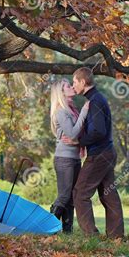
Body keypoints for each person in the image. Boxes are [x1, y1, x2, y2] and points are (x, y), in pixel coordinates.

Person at [63, 67, 125, 238]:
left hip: (99, 154)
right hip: (107, 152)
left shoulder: (95, 101)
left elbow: (99, 131)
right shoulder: (95, 99)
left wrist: (78, 142)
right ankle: (116, 236)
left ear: (83, 82)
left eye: (75, 82)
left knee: (80, 193)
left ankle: (91, 236)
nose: (73, 85)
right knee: (108, 193)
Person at [49, 78, 90, 233]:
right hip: (64, 159)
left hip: (74, 158)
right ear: (61, 92)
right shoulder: (61, 111)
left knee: (71, 197)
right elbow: (72, 133)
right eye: (68, 85)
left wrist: (79, 142)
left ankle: (67, 232)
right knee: (64, 196)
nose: (72, 87)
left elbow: (77, 135)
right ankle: (47, 227)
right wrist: (85, 112)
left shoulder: (72, 109)